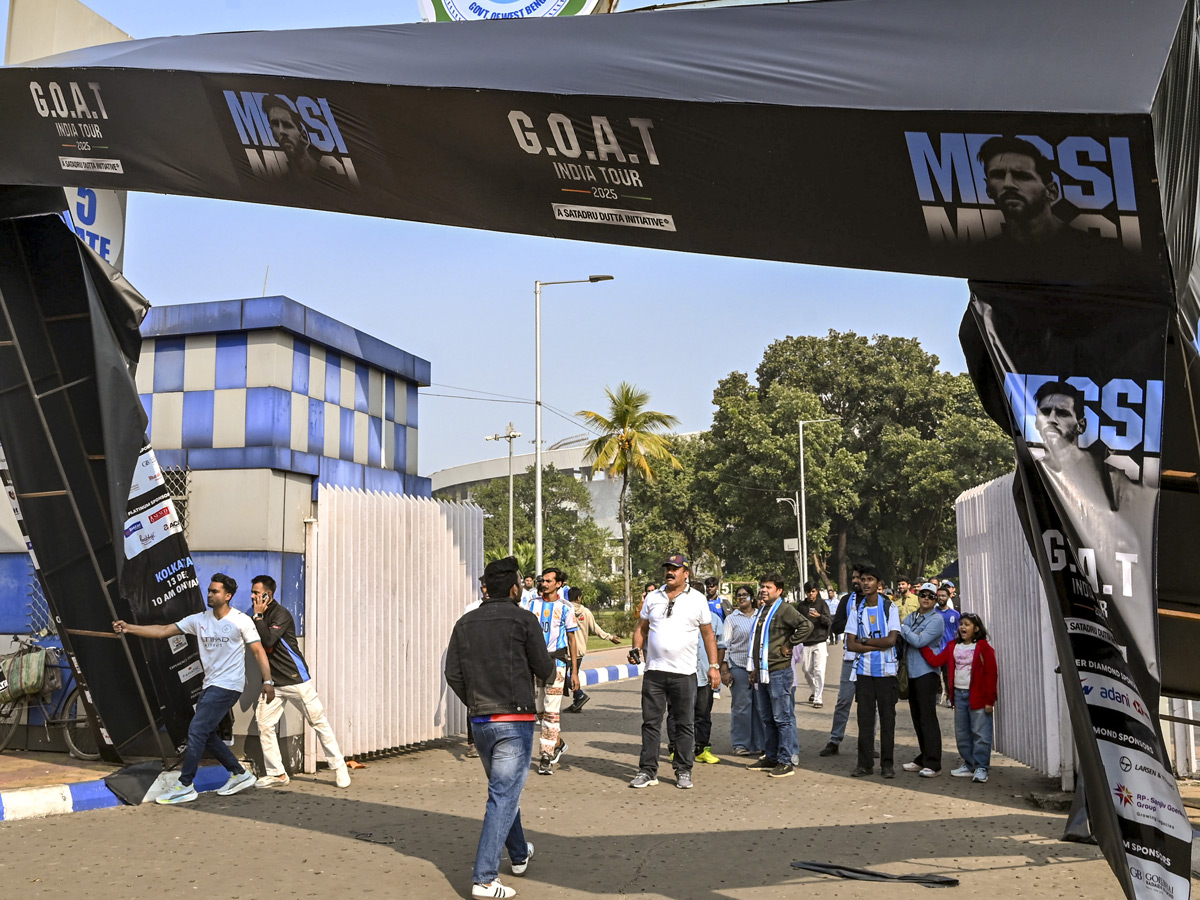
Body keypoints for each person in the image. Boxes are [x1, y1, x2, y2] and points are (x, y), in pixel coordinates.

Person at [445, 556, 555, 900]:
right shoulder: (524, 619)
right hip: (514, 720)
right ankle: (485, 878)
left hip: (481, 722)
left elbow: (452, 674)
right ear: (513, 588)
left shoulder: (465, 623)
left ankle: (519, 854)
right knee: (503, 796)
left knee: (503, 793)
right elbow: (545, 667)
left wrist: (476, 702)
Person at [112, 573, 274, 805]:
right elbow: (163, 630)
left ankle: (185, 785)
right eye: (209, 590)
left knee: (197, 729)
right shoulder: (199, 620)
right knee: (205, 733)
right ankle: (239, 774)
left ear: (227, 596)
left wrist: (267, 682)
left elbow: (258, 651)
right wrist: (129, 628)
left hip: (229, 685)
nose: (210, 594)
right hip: (210, 684)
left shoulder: (241, 621)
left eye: (215, 591)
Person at [627, 554, 720, 790]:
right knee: (650, 723)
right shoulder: (653, 597)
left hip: (684, 673)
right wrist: (636, 648)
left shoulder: (698, 600)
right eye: (668, 568)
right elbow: (642, 628)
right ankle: (647, 771)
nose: (670, 572)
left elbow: (708, 635)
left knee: (684, 724)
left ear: (686, 573)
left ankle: (683, 770)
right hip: (655, 672)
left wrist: (714, 666)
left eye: (675, 569)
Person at [250, 575, 351, 788]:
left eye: (257, 593)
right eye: (252, 593)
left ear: (268, 594)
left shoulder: (281, 615)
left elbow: (268, 640)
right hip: (273, 683)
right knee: (265, 724)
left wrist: (258, 617)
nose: (252, 596)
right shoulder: (257, 617)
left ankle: (339, 766)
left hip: (296, 680)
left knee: (318, 722)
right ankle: (278, 774)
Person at [746, 573, 813, 778]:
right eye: (762, 586)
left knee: (782, 718)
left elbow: (806, 626)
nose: (764, 590)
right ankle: (771, 756)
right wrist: (755, 668)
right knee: (767, 717)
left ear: (779, 590)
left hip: (779, 671)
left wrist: (789, 644)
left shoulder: (784, 610)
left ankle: (786, 760)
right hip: (763, 672)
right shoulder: (763, 610)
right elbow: (759, 642)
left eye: (768, 587)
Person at [921, 612, 998, 783]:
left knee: (981, 734)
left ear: (976, 629)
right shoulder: (952, 646)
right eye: (961, 624)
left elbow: (991, 674)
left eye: (967, 624)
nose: (962, 627)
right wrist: (921, 644)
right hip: (959, 696)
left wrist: (989, 701)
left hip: (978, 697)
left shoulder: (984, 647)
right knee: (962, 734)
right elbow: (935, 661)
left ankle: (981, 768)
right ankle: (969, 765)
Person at [844, 566, 901, 779]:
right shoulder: (856, 610)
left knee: (888, 721)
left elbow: (891, 640)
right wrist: (877, 645)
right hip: (864, 672)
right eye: (863, 579)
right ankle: (864, 764)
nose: (866, 583)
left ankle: (887, 764)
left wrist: (865, 641)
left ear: (879, 584)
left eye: (870, 579)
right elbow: (850, 644)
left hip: (886, 673)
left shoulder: (889, 608)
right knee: (865, 721)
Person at [522, 568, 577, 775]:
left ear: (559, 584)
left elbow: (572, 639)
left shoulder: (565, 607)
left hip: (557, 663)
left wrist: (575, 671)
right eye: (542, 581)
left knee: (552, 712)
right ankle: (558, 743)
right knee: (539, 710)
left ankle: (546, 755)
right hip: (535, 662)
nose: (544, 584)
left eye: (548, 581)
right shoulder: (532, 604)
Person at [667, 592, 725, 766]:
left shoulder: (714, 619)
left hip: (704, 674)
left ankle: (702, 749)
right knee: (676, 713)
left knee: (703, 714)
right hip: (681, 673)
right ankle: (675, 749)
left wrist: (715, 668)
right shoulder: (676, 617)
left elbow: (720, 646)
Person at [898, 582, 946, 778]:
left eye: (930, 596)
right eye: (923, 595)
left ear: (936, 600)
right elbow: (910, 636)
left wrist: (904, 629)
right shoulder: (914, 616)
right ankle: (924, 756)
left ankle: (934, 762)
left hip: (927, 672)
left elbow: (919, 641)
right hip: (911, 672)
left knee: (928, 717)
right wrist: (909, 631)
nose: (926, 598)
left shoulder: (936, 620)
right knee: (917, 717)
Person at [819, 565, 863, 756]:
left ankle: (868, 740)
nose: (855, 581)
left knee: (869, 705)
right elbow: (836, 627)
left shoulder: (879, 602)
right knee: (843, 701)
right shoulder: (847, 600)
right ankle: (834, 740)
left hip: (871, 660)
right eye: (853, 577)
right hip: (850, 659)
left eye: (859, 578)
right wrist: (854, 621)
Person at [722, 587, 764, 756]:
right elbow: (725, 645)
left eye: (744, 595)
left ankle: (760, 743)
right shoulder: (731, 619)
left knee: (761, 707)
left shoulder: (761, 616)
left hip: (759, 667)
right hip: (738, 666)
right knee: (742, 706)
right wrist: (724, 669)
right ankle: (740, 743)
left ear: (752, 598)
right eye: (738, 596)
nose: (741, 598)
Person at [565, 586, 620, 713]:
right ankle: (577, 700)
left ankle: (579, 695)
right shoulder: (586, 612)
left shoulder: (565, 610)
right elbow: (596, 628)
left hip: (567, 650)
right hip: (580, 651)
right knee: (574, 674)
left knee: (560, 676)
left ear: (568, 598)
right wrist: (610, 637)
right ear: (579, 598)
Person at [260, 93, 326, 179]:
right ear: (273, 135)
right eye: (275, 124)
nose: (281, 131)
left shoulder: (334, 180)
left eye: (287, 125)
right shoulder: (278, 185)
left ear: (304, 136)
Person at [794, 582, 831, 708]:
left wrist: (819, 616)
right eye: (809, 591)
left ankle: (818, 698)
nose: (811, 594)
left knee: (819, 670)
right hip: (806, 642)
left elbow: (829, 621)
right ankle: (815, 690)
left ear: (817, 591)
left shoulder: (822, 604)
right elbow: (796, 622)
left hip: (820, 641)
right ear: (805, 592)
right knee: (806, 669)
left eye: (813, 591)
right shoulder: (801, 606)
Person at [935, 586, 961, 706]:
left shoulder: (955, 614)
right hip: (935, 650)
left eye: (943, 595)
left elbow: (959, 631)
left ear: (949, 597)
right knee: (935, 675)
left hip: (949, 650)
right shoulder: (932, 612)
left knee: (948, 675)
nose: (941, 598)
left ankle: (950, 697)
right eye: (939, 595)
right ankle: (938, 694)